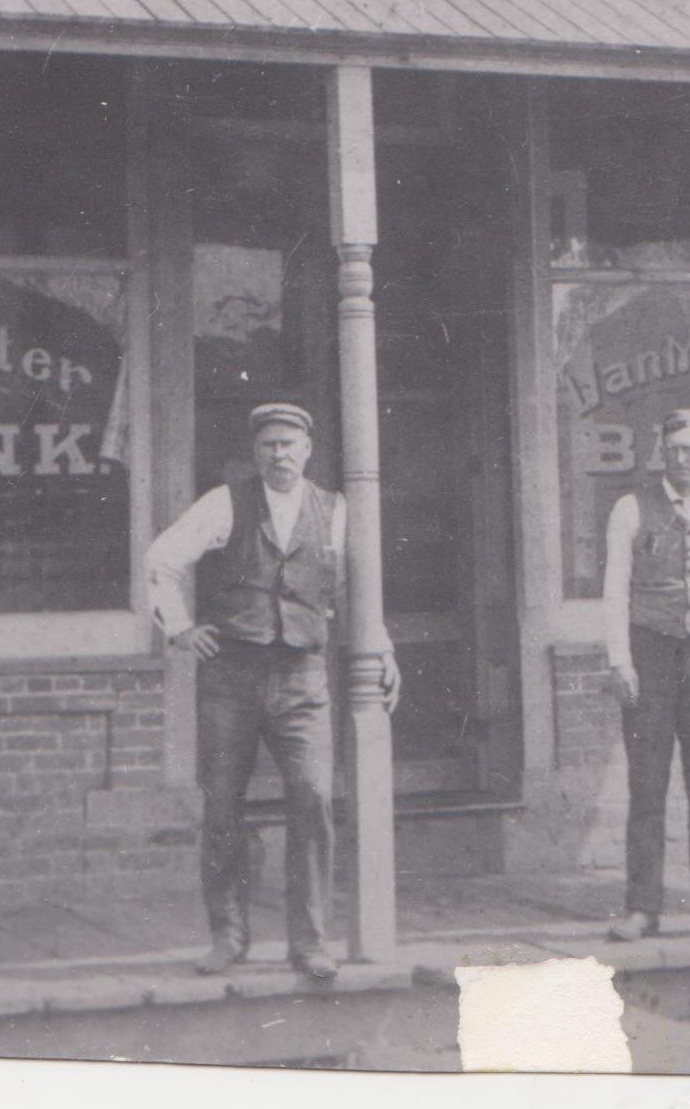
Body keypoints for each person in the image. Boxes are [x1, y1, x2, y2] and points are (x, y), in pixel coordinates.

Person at [147, 402, 398, 981]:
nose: (279, 455)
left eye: (289, 444)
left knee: (312, 799)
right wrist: (181, 628)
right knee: (222, 804)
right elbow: (162, 559)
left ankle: (309, 942)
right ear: (255, 452)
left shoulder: (335, 511)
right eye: (269, 446)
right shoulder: (224, 502)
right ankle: (228, 937)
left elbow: (361, 589)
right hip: (230, 676)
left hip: (302, 677)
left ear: (308, 450)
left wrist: (381, 649)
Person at [602, 406, 690, 943]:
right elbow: (616, 587)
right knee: (647, 784)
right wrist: (621, 659)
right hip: (650, 651)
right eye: (674, 450)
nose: (682, 459)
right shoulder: (631, 509)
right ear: (662, 453)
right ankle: (642, 907)